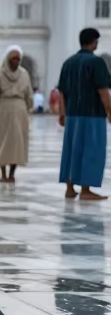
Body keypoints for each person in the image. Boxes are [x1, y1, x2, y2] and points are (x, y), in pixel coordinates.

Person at [57, 26, 111, 200]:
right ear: (94, 42)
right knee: (91, 150)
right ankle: (86, 190)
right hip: (92, 115)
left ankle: (70, 188)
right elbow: (103, 91)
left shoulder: (68, 62)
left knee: (72, 150)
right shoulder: (96, 63)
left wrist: (62, 113)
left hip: (73, 115)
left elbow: (62, 92)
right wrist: (110, 111)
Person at [0, 46, 32, 184]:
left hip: (8, 109)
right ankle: (5, 174)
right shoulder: (1, 74)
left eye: (18, 59)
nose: (16, 62)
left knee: (12, 143)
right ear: (8, 59)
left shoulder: (1, 74)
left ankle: (10, 174)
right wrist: (28, 106)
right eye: (14, 59)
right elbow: (29, 96)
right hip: (14, 109)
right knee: (7, 142)